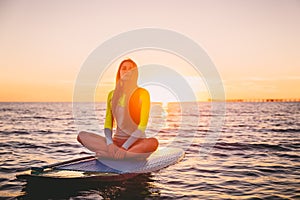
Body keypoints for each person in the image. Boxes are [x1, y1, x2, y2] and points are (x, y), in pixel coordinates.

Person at [77, 59, 159, 159]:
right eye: (124, 68)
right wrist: (110, 143)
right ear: (119, 72)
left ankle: (119, 155)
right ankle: (122, 155)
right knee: (82, 136)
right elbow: (108, 123)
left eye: (131, 69)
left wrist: (124, 147)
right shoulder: (112, 95)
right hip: (116, 143)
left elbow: (142, 126)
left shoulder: (143, 93)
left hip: (136, 143)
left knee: (153, 143)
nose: (127, 71)